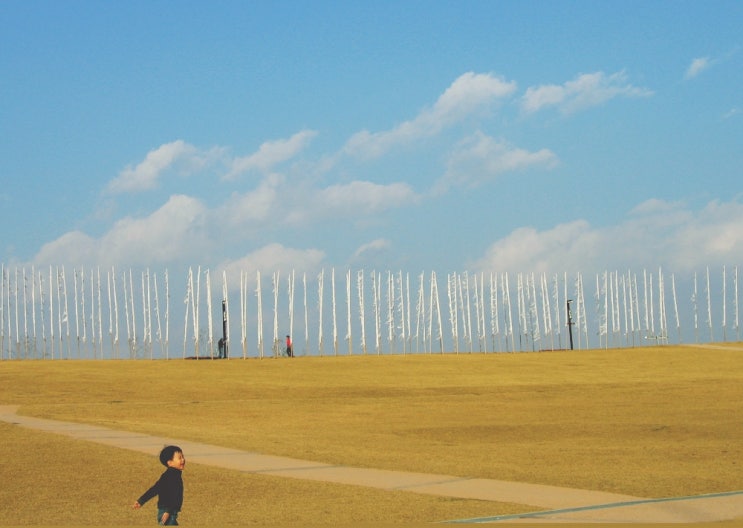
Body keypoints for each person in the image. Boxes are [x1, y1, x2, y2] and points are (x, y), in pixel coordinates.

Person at [133, 445, 185, 525]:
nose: (183, 460)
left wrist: (141, 500)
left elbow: (155, 489)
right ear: (170, 463)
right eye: (179, 458)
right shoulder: (172, 476)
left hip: (167, 512)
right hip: (167, 513)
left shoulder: (171, 475)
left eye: (183, 457)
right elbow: (173, 495)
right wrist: (168, 511)